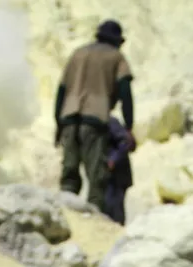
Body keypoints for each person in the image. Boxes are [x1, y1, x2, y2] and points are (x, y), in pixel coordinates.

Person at [55, 20, 134, 213]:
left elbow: (61, 90)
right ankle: (94, 220)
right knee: (97, 176)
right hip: (95, 119)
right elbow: (125, 92)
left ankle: (67, 213)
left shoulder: (77, 54)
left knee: (69, 172)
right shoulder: (116, 57)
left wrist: (58, 122)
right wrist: (129, 125)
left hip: (69, 118)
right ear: (117, 41)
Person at [104, 115, 136, 225]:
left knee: (115, 211)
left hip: (118, 175)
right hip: (109, 175)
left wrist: (113, 160)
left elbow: (125, 141)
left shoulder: (110, 121)